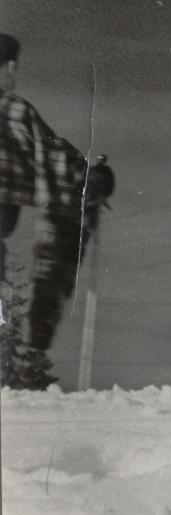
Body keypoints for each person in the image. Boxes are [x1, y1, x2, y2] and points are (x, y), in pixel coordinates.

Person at [0, 33, 92, 350]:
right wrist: (91, 175)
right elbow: (52, 156)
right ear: (9, 68)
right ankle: (45, 306)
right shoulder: (11, 110)